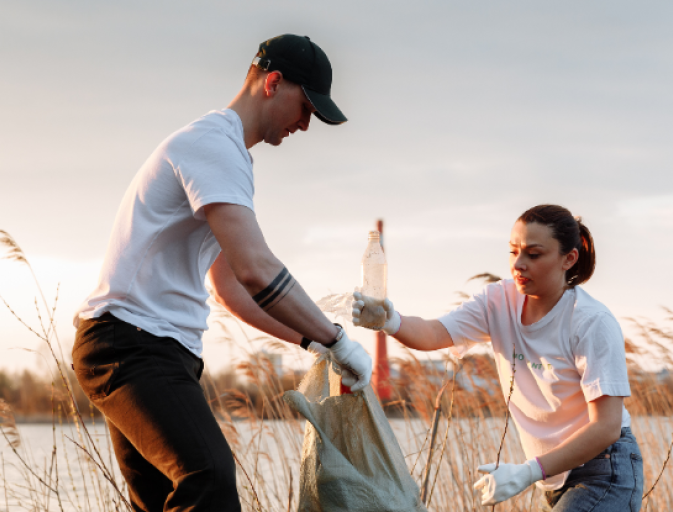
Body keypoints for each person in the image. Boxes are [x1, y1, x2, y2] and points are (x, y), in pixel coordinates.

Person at [71, 34, 372, 512]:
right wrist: (337, 340)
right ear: (273, 82)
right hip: (131, 344)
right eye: (306, 107)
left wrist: (311, 343)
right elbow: (257, 268)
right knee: (207, 480)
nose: (306, 124)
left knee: (168, 500)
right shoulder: (213, 146)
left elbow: (231, 286)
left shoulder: (227, 157)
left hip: (154, 350)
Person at [352, 204, 643, 511]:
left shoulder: (590, 321)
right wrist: (389, 320)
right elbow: (434, 333)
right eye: (513, 251)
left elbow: (607, 427)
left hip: (604, 470)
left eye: (533, 254)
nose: (518, 264)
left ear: (568, 259)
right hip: (555, 476)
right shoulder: (498, 300)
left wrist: (528, 471)